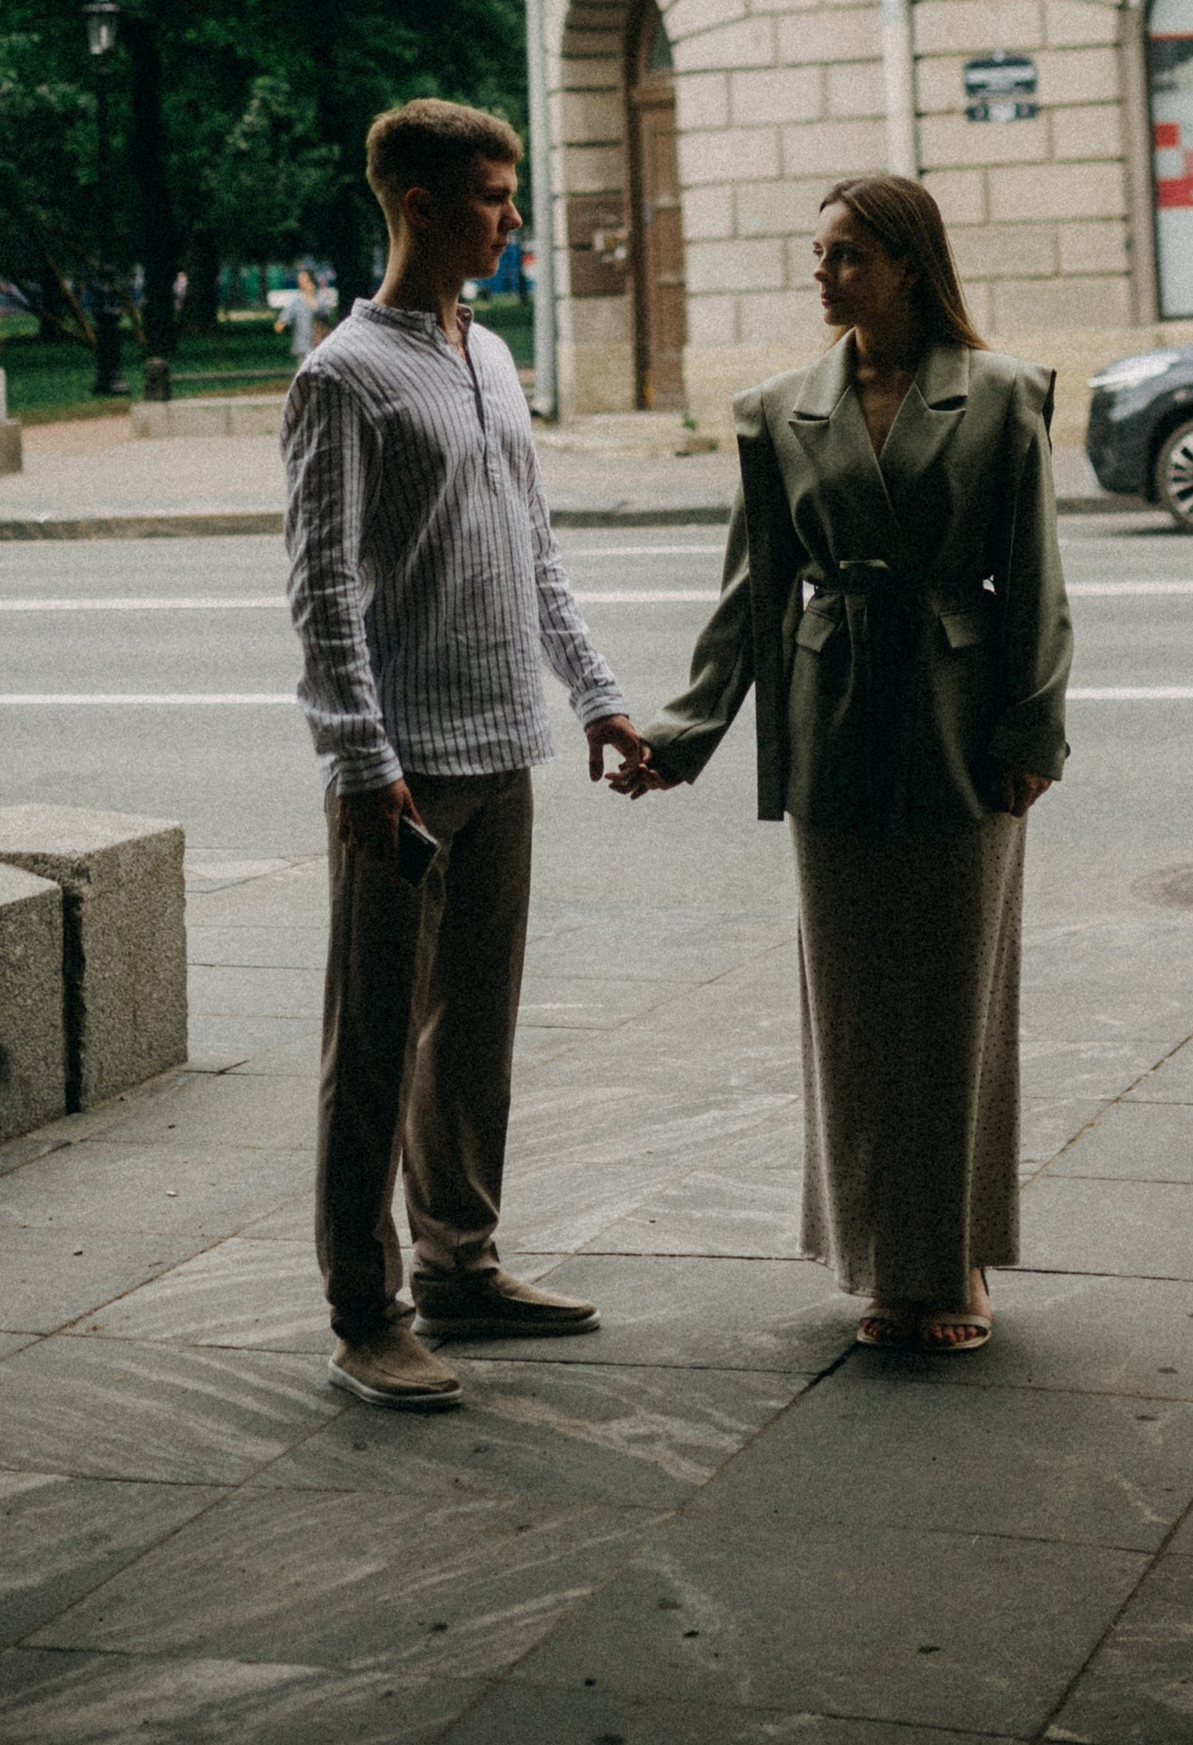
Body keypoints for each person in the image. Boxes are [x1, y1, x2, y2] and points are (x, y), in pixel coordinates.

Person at [614, 174, 1071, 1356]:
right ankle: (881, 1263)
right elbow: (748, 599)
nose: (821, 275)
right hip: (833, 723)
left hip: (962, 722)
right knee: (861, 1014)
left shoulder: (1005, 396)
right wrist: (681, 739)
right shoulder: (778, 412)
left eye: (847, 255)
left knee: (958, 1010)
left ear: (910, 265)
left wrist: (1033, 733)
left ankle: (955, 1258)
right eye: (818, 255)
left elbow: (1035, 583)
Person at [283, 98, 651, 1410]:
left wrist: (599, 698)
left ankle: (460, 1264)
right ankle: (362, 1310)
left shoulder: (490, 356)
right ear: (423, 207)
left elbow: (534, 554)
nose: (514, 217)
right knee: (373, 1049)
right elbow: (323, 595)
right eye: (495, 197)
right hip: (400, 773)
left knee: (473, 1037)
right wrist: (362, 762)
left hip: (507, 746)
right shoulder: (344, 375)